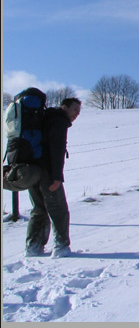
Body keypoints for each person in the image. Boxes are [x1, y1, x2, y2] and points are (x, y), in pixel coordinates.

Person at [25, 97, 82, 258]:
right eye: (74, 109)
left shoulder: (44, 118)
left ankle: (33, 247)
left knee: (39, 209)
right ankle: (61, 247)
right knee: (59, 210)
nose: (77, 114)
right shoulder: (59, 121)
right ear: (64, 107)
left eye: (79, 111)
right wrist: (57, 177)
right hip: (47, 172)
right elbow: (56, 151)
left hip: (31, 170)